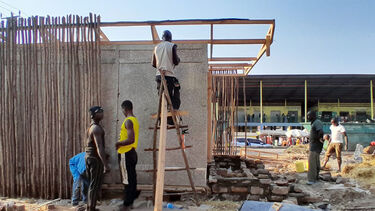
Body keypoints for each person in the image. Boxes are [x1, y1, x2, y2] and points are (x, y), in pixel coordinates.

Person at [115, 100, 140, 210]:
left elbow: (130, 139)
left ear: (125, 109)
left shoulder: (128, 121)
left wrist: (118, 143)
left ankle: (127, 204)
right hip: (131, 152)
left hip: (125, 152)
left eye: (122, 110)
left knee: (126, 179)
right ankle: (131, 200)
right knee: (132, 177)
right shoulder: (134, 120)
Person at [85, 106, 110, 211]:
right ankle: (91, 208)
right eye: (99, 112)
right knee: (94, 185)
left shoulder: (92, 127)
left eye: (102, 111)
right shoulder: (96, 128)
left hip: (89, 157)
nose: (102, 113)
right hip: (95, 158)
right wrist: (105, 164)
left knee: (92, 184)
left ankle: (90, 207)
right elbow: (99, 147)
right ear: (93, 115)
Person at [152, 30, 181, 111]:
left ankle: (164, 115)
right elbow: (175, 61)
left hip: (158, 76)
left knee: (162, 98)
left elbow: (153, 63)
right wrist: (178, 60)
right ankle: (174, 109)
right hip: (169, 76)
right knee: (174, 92)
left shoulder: (156, 47)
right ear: (170, 38)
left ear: (162, 38)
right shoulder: (172, 46)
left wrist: (160, 64)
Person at [307, 111, 324, 185]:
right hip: (315, 146)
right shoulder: (315, 122)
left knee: (312, 163)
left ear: (313, 116)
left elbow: (321, 132)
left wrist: (318, 139)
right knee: (316, 162)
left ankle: (311, 179)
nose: (308, 117)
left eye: (309, 116)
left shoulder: (317, 122)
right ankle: (316, 177)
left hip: (314, 146)